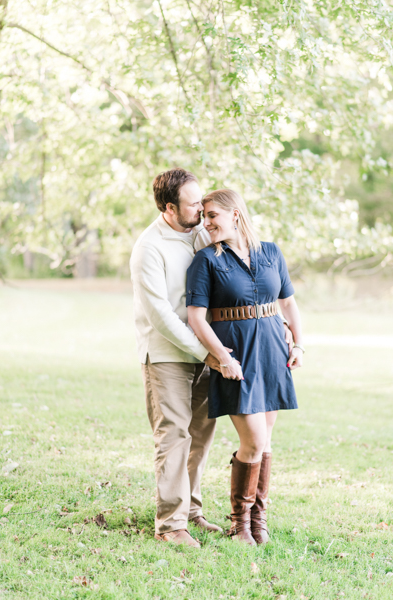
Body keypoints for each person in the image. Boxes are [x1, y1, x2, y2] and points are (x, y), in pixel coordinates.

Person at [186, 189, 304, 545]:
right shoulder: (205, 261)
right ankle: (240, 523)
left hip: (272, 352)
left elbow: (288, 303)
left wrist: (298, 343)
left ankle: (258, 520)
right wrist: (222, 357)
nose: (205, 224)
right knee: (252, 439)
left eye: (212, 216)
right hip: (236, 357)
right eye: (204, 216)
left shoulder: (270, 252)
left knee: (265, 441)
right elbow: (196, 318)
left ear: (235, 214)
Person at [130, 168, 228, 548]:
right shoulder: (148, 248)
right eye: (193, 205)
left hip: (208, 351)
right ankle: (170, 525)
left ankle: (191, 511)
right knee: (173, 436)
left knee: (201, 436)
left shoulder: (203, 233)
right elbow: (163, 317)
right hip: (167, 354)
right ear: (169, 208)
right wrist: (209, 352)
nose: (202, 211)